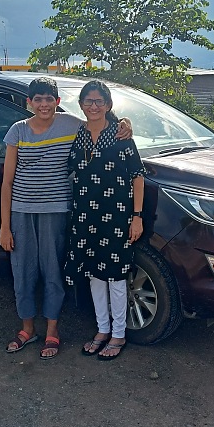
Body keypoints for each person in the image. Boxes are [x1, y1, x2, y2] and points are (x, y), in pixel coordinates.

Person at [0, 77, 131, 359]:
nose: (44, 104)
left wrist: (125, 122)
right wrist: (4, 226)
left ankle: (52, 330)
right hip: (22, 210)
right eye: (38, 99)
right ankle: (26, 328)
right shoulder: (18, 131)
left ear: (57, 102)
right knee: (22, 271)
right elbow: (7, 182)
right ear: (29, 103)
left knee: (52, 271)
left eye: (49, 99)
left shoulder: (71, 124)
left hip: (57, 210)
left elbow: (100, 121)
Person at [65, 80, 146, 361]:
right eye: (89, 101)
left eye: (100, 101)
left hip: (118, 215)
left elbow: (138, 176)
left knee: (116, 276)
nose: (94, 106)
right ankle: (102, 329)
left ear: (109, 105)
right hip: (86, 215)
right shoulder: (78, 134)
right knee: (94, 274)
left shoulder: (121, 135)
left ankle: (119, 333)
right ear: (81, 105)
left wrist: (136, 217)